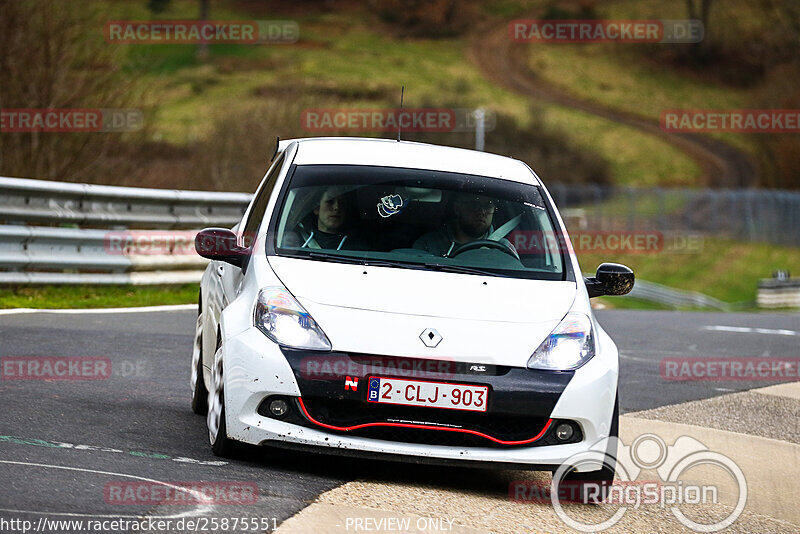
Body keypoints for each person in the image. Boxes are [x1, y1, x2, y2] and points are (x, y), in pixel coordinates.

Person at [413, 193, 517, 257]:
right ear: (457, 208)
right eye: (474, 205)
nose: (482, 212)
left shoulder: (504, 249)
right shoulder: (428, 245)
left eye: (488, 206)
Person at [295, 186, 367, 250]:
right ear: (316, 208)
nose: (337, 207)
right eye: (330, 202)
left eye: (342, 203)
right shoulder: (296, 241)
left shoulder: (357, 249)